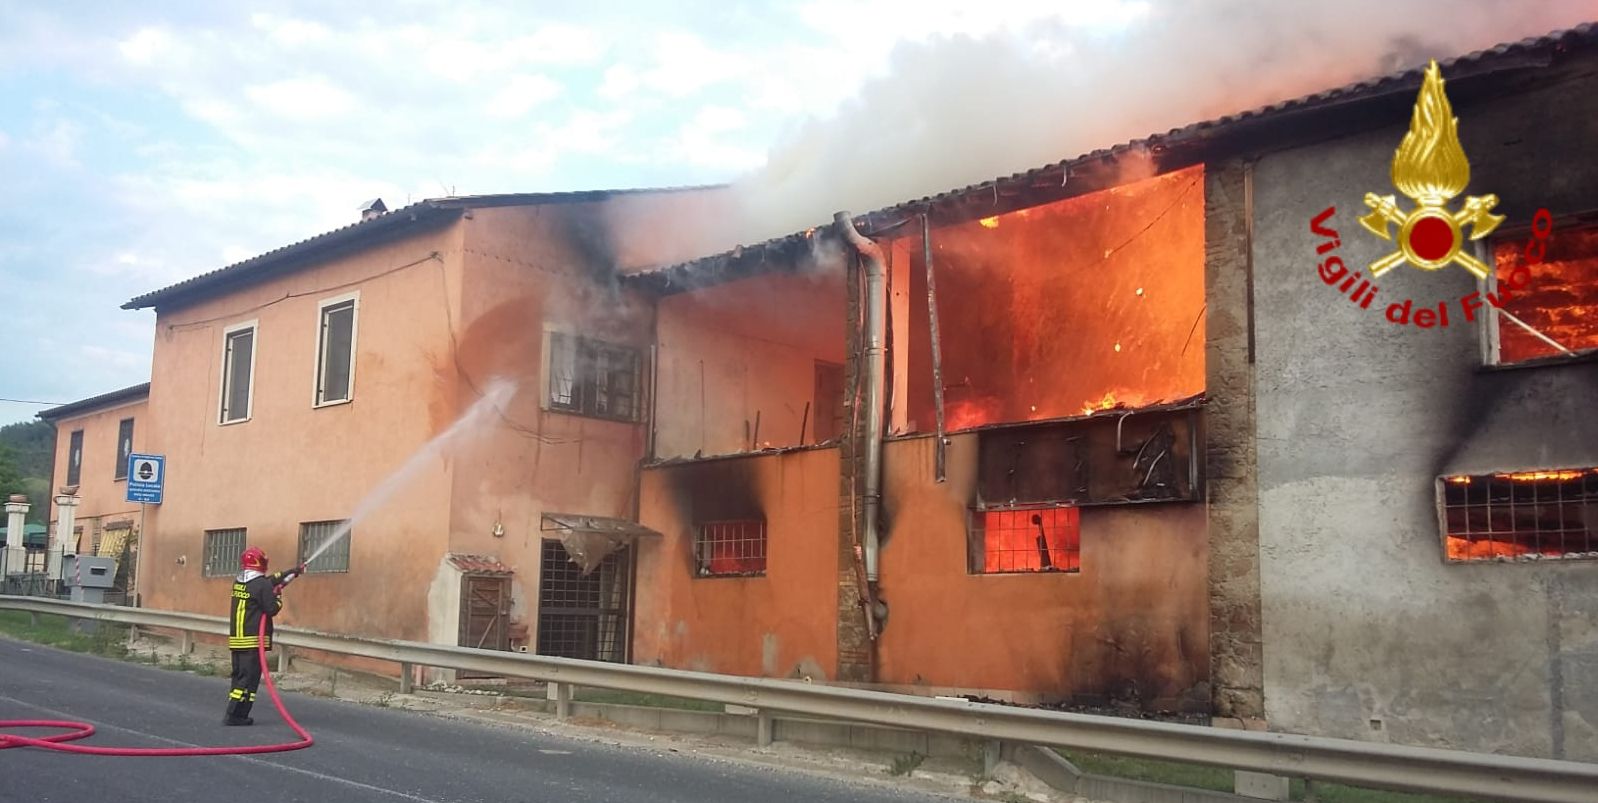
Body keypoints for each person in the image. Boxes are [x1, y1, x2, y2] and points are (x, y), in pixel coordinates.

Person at [225, 547, 303, 726]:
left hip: (238, 640)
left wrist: (291, 573)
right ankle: (236, 715)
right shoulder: (262, 585)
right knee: (249, 680)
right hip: (253, 641)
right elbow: (271, 608)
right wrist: (278, 598)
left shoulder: (240, 581)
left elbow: (268, 582)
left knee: (239, 677)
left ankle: (234, 711)